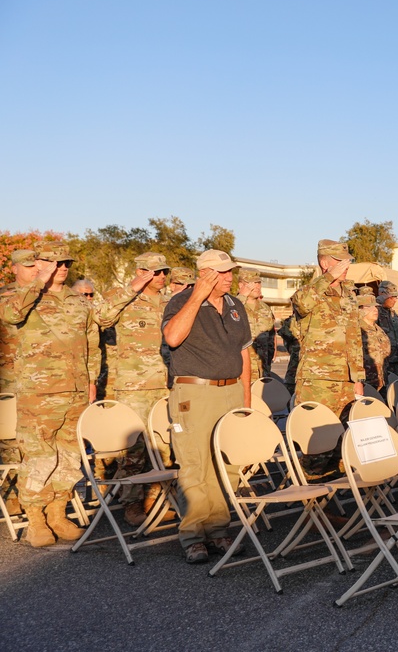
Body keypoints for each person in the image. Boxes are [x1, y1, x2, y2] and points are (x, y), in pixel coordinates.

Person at [0, 242, 99, 548]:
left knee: (69, 457)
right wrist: (38, 281)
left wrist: (92, 381)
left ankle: (58, 513)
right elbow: (10, 315)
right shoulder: (22, 296)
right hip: (39, 391)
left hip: (77, 389)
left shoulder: (77, 299)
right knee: (39, 457)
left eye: (66, 263)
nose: (62, 268)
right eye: (55, 263)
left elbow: (91, 343)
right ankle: (36, 520)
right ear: (40, 263)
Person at [162, 249, 252, 564]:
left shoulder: (236, 306)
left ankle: (218, 530)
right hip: (194, 393)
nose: (230, 277)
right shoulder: (180, 302)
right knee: (195, 465)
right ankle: (192, 536)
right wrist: (196, 296)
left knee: (226, 465)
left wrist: (247, 402)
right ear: (205, 274)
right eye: (223, 272)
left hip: (231, 391)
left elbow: (244, 355)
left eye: (231, 271)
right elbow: (172, 337)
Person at [95, 251, 172, 526]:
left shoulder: (169, 301)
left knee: (164, 445)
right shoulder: (123, 296)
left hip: (165, 382)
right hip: (134, 386)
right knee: (134, 449)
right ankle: (131, 503)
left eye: (164, 272)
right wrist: (131, 289)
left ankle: (155, 497)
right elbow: (101, 318)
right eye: (155, 271)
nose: (161, 276)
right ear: (140, 271)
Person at [291, 240, 366, 419]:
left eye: (347, 261)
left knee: (344, 437)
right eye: (339, 262)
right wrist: (328, 277)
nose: (345, 266)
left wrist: (358, 379)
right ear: (324, 264)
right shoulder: (309, 292)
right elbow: (302, 304)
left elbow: (355, 340)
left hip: (347, 382)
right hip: (317, 381)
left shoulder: (348, 295)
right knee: (315, 437)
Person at [0, 250, 39, 515]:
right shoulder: (5, 296)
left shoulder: (47, 295)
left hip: (40, 378)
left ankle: (38, 494)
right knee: (10, 441)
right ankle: (12, 495)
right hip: (9, 378)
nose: (34, 269)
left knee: (37, 440)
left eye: (37, 265)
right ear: (14, 268)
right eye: (28, 266)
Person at [236, 268, 276, 382]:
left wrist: (268, 363)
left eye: (258, 282)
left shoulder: (265, 309)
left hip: (262, 370)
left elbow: (270, 339)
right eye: (252, 283)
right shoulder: (233, 305)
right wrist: (242, 297)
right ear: (241, 285)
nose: (257, 286)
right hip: (241, 371)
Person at [358, 288, 391, 390]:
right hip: (365, 385)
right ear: (359, 309)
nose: (375, 310)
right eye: (369, 307)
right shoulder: (356, 330)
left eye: (376, 307)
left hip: (381, 382)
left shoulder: (379, 330)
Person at [376, 280, 398, 382]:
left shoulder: (393, 314)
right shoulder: (374, 313)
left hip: (395, 363)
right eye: (392, 297)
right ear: (382, 295)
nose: (395, 300)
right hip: (382, 364)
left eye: (396, 297)